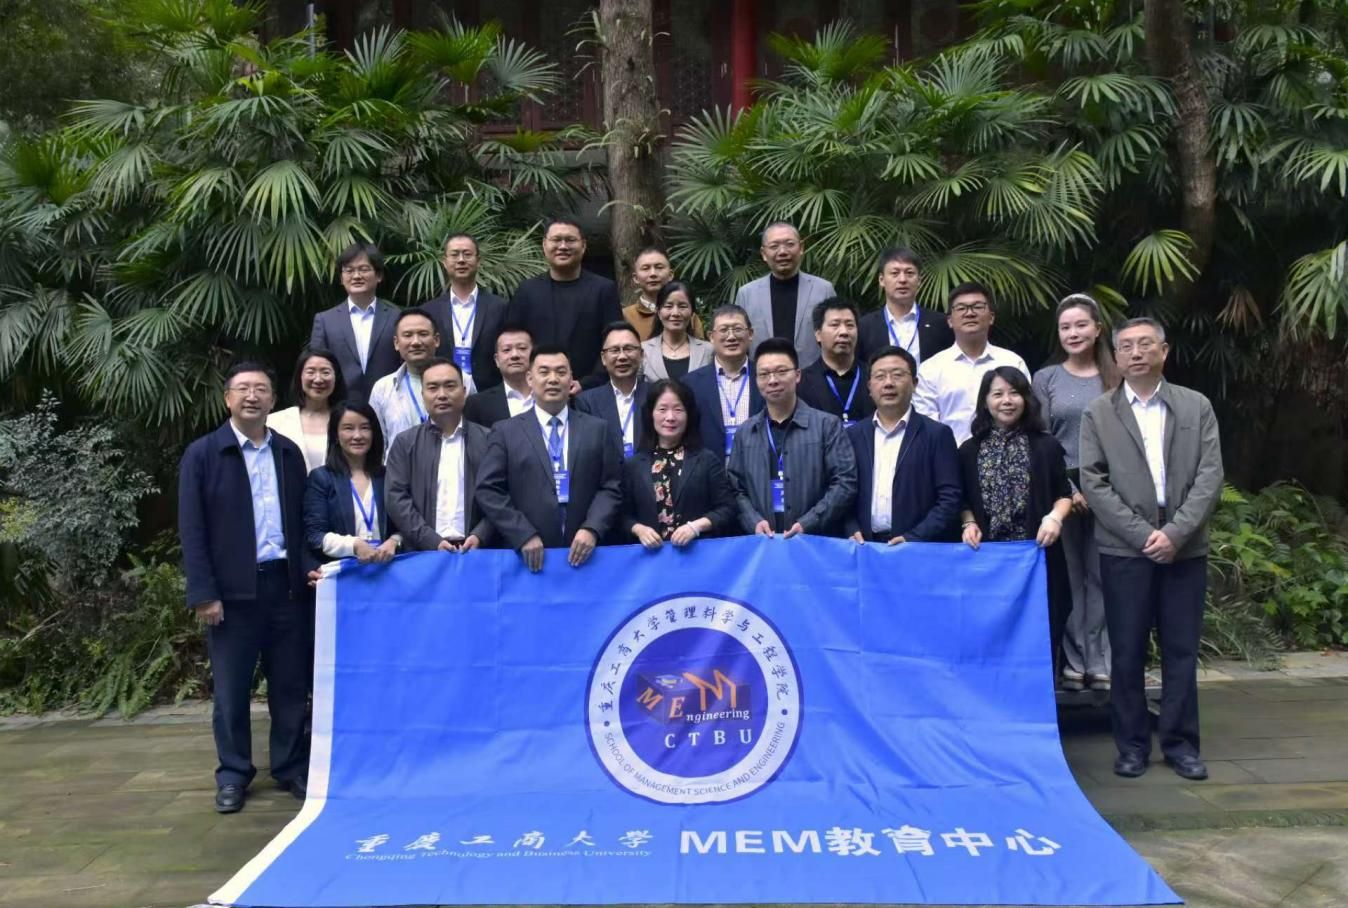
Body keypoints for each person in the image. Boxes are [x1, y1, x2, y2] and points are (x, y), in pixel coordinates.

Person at [1079, 317, 1223, 782]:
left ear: (1164, 350)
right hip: (1125, 550)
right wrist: (1142, 535)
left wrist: (1176, 533)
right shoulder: (1098, 412)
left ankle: (1181, 745)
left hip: (1185, 547)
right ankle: (1132, 746)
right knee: (1127, 651)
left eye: (1146, 344)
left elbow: (1210, 476)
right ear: (1116, 357)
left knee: (1180, 650)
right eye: (1127, 346)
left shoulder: (1195, 405)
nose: (1136, 352)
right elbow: (1093, 482)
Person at [178, 363, 309, 813]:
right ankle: (233, 774)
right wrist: (204, 592)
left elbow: (302, 521)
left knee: (289, 686)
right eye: (243, 389)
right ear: (227, 399)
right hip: (232, 595)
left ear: (273, 400)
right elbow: (192, 529)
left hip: (286, 587)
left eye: (261, 389)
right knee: (231, 691)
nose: (252, 396)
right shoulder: (203, 454)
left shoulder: (288, 453)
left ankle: (289, 766)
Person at [957, 367, 1074, 679]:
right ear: (985, 402)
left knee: (1039, 635)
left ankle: (1038, 700)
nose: (1006, 401)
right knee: (990, 638)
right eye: (997, 394)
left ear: (1026, 399)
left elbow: (1064, 495)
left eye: (1014, 393)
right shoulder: (969, 450)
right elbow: (962, 500)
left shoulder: (1046, 446)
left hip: (1036, 559)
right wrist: (968, 523)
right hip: (988, 563)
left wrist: (1054, 517)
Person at [1033, 293, 1122, 692]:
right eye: (1065, 327)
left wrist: (1100, 488)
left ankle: (1099, 660)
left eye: (1081, 325)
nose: (1073, 333)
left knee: (1102, 576)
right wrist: (1070, 490)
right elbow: (1042, 439)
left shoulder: (1117, 375)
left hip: (1111, 485)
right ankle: (1073, 660)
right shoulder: (1046, 378)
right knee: (1069, 576)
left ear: (1098, 329)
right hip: (1061, 486)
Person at [475, 346, 623, 572]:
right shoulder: (506, 431)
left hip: (587, 556)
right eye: (544, 372)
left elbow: (612, 486)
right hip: (527, 559)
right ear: (530, 379)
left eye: (561, 372)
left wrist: (592, 528)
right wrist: (522, 534)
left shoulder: (597, 429)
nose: (553, 379)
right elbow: (488, 489)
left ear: (571, 379)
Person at [728, 338, 857, 537]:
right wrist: (753, 522)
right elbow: (735, 488)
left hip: (815, 540)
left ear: (797, 375)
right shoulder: (745, 432)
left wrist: (810, 522)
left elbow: (845, 482)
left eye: (781, 372)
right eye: (764, 374)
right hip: (763, 543)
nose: (772, 380)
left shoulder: (827, 426)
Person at [845, 346, 962, 544]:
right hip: (865, 546)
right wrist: (851, 528)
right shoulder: (853, 435)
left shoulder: (937, 434)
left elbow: (950, 498)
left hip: (916, 548)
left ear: (914, 384)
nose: (888, 383)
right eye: (880, 376)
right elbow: (842, 490)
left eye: (897, 375)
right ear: (870, 387)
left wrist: (914, 538)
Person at [385, 358, 496, 552]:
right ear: (423, 395)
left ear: (464, 391)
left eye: (450, 386)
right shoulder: (405, 443)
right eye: (433, 388)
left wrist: (481, 535)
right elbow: (396, 499)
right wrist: (430, 540)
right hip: (424, 552)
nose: (442, 395)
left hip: (477, 551)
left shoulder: (489, 440)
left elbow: (502, 494)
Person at [620, 379, 738, 548]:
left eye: (678, 409)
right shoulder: (634, 465)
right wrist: (638, 529)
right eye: (662, 409)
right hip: (650, 557)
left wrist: (696, 527)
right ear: (650, 414)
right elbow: (621, 515)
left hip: (696, 553)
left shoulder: (706, 459)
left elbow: (728, 508)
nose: (670, 417)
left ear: (689, 415)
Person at [506, 216, 623, 386]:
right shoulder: (527, 291)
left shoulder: (603, 290)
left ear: (583, 246)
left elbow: (614, 341)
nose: (562, 246)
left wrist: (587, 383)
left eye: (570, 240)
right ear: (544, 245)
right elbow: (513, 341)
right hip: (535, 388)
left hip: (588, 390)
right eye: (556, 240)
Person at [913, 281, 1029, 445]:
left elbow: (1027, 414)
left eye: (978, 307)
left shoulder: (1013, 362)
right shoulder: (931, 369)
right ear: (950, 320)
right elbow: (926, 425)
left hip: (1007, 455)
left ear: (991, 317)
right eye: (961, 308)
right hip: (950, 455)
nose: (970, 313)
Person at [303, 402, 400, 566]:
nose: (358, 435)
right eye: (348, 428)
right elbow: (315, 535)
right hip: (345, 572)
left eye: (365, 428)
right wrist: (354, 545)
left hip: (386, 568)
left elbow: (404, 525)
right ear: (335, 434)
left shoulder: (387, 476)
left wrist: (395, 541)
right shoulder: (322, 478)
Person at [309, 243, 400, 406]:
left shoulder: (397, 317)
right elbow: (316, 366)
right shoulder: (325, 320)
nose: (356, 276)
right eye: (349, 271)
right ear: (341, 278)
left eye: (363, 269)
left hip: (391, 405)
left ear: (379, 275)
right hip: (340, 407)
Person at [736, 222, 836, 367]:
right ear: (764, 254)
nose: (782, 251)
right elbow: (740, 342)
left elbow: (834, 337)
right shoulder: (747, 294)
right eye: (774, 246)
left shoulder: (823, 289)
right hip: (764, 376)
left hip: (812, 376)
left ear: (801, 247)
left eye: (790, 244)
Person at [421, 233, 507, 393]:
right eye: (454, 255)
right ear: (444, 262)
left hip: (489, 392)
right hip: (443, 394)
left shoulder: (500, 307)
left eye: (467, 254)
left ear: (478, 261)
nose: (461, 260)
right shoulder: (429, 311)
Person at [683, 304, 764, 460]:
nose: (731, 337)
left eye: (738, 329)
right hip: (709, 470)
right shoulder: (690, 384)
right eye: (724, 330)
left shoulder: (767, 377)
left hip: (757, 466)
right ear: (711, 337)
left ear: (750, 334)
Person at [857, 247, 955, 367]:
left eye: (909, 273)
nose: (903, 280)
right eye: (895, 273)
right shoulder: (864, 327)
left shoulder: (941, 323)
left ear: (919, 280)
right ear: (882, 280)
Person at [797, 298, 875, 427]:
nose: (844, 332)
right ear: (818, 334)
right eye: (835, 325)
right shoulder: (802, 382)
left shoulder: (873, 376)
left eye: (850, 325)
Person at [367, 307, 441, 445]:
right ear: (396, 343)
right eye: (408, 335)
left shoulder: (462, 381)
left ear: (436, 340)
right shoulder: (382, 389)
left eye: (423, 334)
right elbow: (377, 445)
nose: (416, 342)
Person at [575, 321, 649, 458]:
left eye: (628, 349)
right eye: (614, 350)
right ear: (603, 358)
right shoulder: (586, 402)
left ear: (641, 354)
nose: (622, 357)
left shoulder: (656, 395)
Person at [267, 348, 347, 473]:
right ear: (300, 376)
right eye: (311, 372)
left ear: (336, 377)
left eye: (325, 372)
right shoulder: (274, 422)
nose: (318, 379)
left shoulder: (348, 420)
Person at [622, 247, 706, 341]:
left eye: (659, 267)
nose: (653, 274)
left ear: (670, 275)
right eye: (646, 268)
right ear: (635, 278)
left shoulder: (687, 316)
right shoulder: (625, 316)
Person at [641, 280, 714, 381]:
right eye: (668, 306)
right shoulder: (643, 350)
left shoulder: (708, 350)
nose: (675, 313)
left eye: (682, 306)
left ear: (692, 313)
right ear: (658, 312)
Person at [463, 327, 534, 428]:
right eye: (507, 350)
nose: (515, 355)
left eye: (522, 348)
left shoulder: (551, 396)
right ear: (497, 360)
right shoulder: (477, 404)